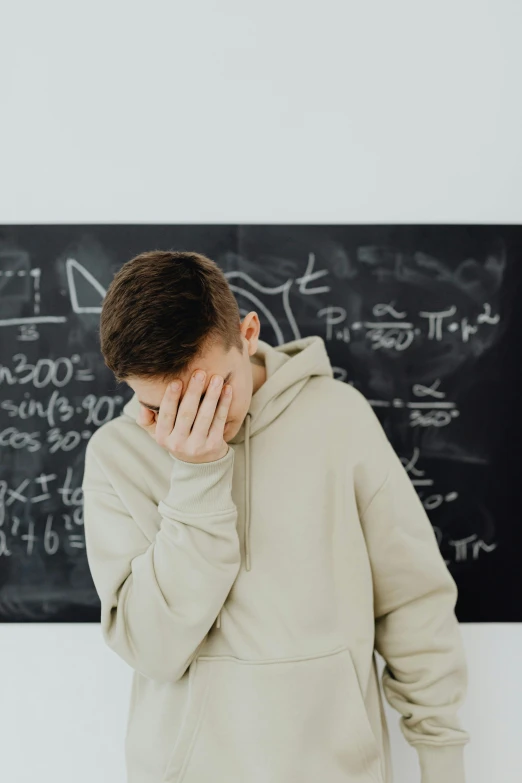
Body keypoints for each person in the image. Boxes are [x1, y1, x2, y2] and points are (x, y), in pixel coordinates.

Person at [82, 250, 469, 783]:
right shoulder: (116, 455)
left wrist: (441, 757)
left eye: (210, 393)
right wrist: (198, 475)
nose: (189, 422)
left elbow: (412, 601)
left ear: (247, 334)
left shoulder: (338, 416)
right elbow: (152, 649)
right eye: (157, 408)